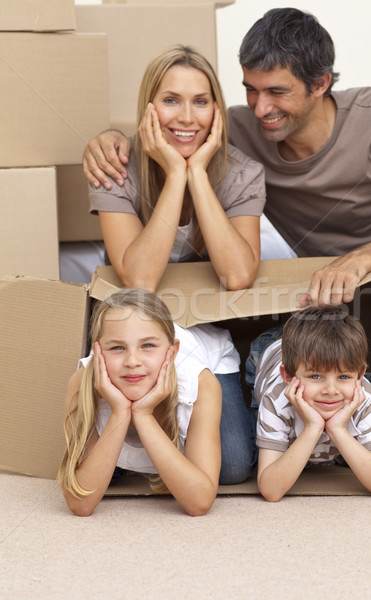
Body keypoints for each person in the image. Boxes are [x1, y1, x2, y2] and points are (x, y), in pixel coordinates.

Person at [82, 9, 371, 307]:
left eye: (277, 91)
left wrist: (361, 259)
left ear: (320, 83)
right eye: (251, 90)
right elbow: (183, 128)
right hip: (322, 284)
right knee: (269, 355)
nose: (261, 109)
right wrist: (110, 140)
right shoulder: (234, 129)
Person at [84, 46, 264, 484]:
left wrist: (197, 174)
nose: (186, 117)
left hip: (203, 337)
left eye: (200, 102)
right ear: (149, 107)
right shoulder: (116, 168)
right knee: (107, 470)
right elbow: (140, 279)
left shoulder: (241, 173)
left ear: (216, 110)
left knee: (236, 467)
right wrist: (173, 175)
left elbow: (238, 274)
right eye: (171, 100)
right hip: (132, 337)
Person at [57, 288, 225, 516]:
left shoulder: (199, 383)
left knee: (234, 466)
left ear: (173, 351)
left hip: (214, 356)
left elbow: (200, 502)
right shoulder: (82, 383)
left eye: (147, 346)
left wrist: (144, 415)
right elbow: (80, 504)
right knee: (106, 471)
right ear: (98, 353)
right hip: (146, 369)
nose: (132, 361)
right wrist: (120, 412)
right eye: (117, 347)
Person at [253, 306, 371, 501]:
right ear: (287, 377)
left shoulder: (363, 395)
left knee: (356, 450)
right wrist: (313, 427)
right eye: (316, 376)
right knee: (250, 453)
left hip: (324, 357)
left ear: (360, 376)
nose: (331, 390)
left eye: (344, 376)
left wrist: (338, 430)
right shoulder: (276, 400)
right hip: (268, 351)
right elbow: (270, 490)